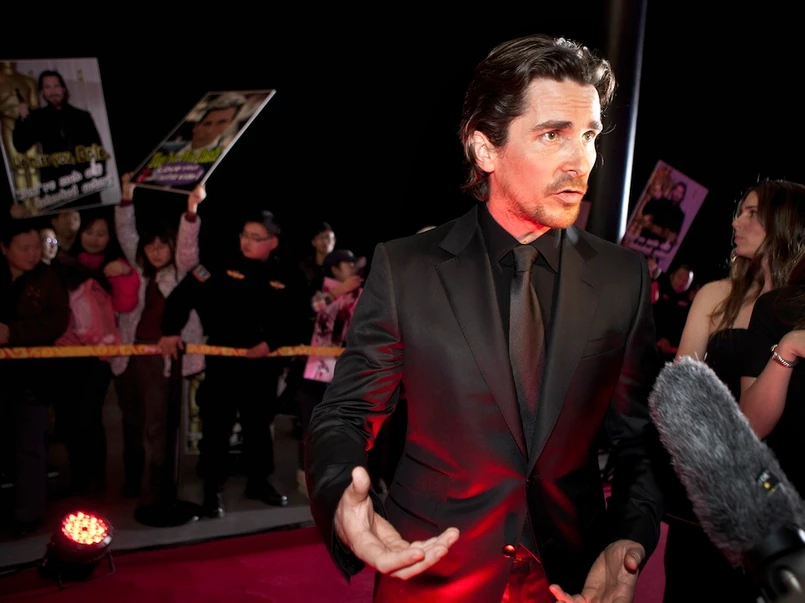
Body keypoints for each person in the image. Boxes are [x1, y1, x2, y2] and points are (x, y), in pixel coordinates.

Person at [304, 33, 664, 603]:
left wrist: (629, 538)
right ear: (485, 150)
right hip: (432, 567)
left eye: (589, 135)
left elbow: (637, 440)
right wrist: (342, 496)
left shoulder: (623, 277)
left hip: (572, 576)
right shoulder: (408, 268)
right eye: (553, 135)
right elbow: (346, 413)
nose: (580, 160)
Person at [664, 179, 805, 603]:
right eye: (739, 211)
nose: (736, 222)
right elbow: (682, 398)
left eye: (752, 213)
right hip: (715, 494)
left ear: (785, 224)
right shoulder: (716, 296)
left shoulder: (795, 309)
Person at [159, 210, 307, 517]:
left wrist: (271, 343)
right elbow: (182, 295)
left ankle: (258, 481)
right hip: (223, 361)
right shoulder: (218, 264)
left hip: (263, 364)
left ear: (273, 242)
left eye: (256, 237)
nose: (247, 242)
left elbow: (299, 319)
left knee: (259, 426)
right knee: (216, 426)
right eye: (244, 235)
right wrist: (170, 330)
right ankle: (212, 487)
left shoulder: (288, 274)